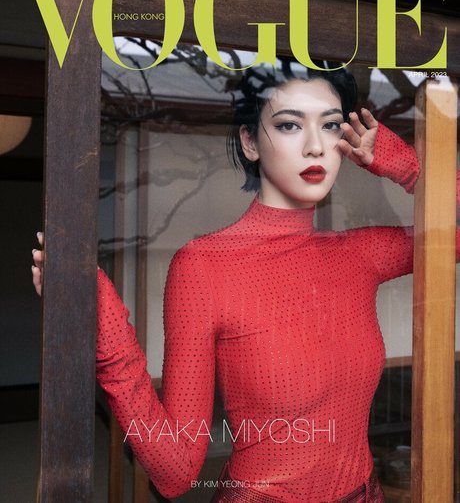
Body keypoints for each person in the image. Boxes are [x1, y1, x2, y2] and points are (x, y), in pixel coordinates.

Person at [32, 68, 460, 503]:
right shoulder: (203, 267)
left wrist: (404, 165)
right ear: (250, 142)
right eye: (289, 125)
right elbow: (176, 472)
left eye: (331, 125)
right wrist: (105, 329)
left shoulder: (358, 254)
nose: (315, 146)